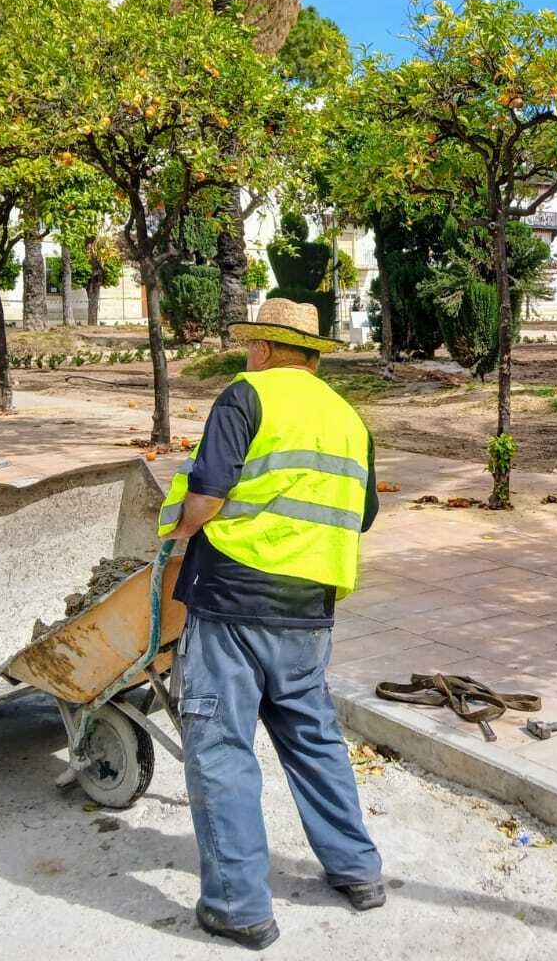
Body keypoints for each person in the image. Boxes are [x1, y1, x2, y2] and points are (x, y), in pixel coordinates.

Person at [158, 298, 384, 950]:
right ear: (312, 356)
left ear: (260, 347)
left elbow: (207, 494)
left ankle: (238, 906)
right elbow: (361, 514)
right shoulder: (347, 418)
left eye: (248, 348)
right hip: (308, 608)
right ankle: (357, 871)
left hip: (232, 599)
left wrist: (174, 540)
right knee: (313, 736)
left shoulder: (245, 394)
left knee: (221, 745)